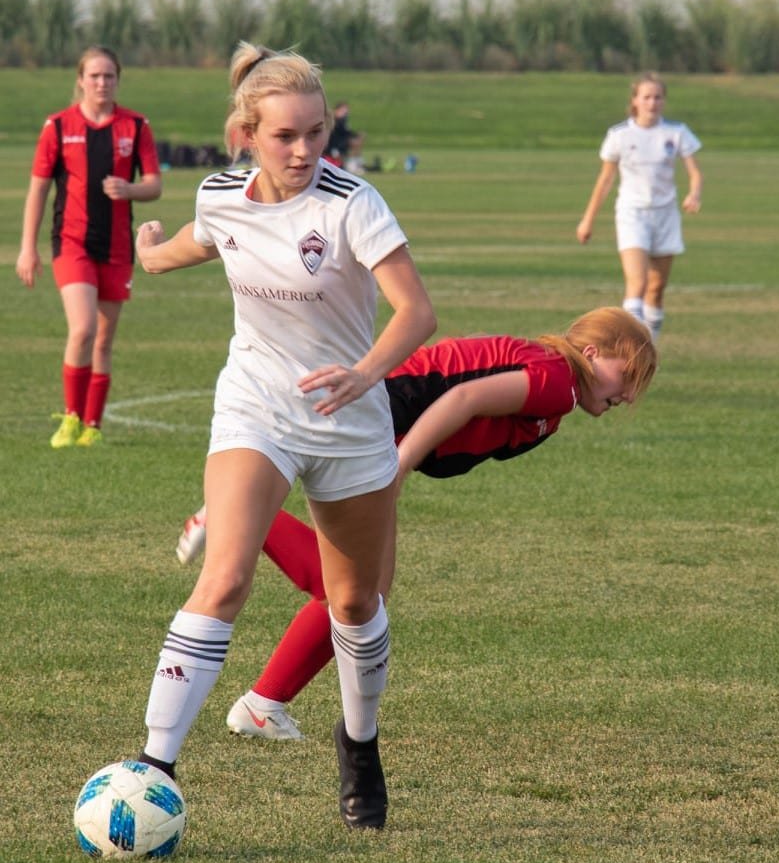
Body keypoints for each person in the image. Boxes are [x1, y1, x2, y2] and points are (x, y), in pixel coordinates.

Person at [128, 42, 437, 831]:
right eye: (284, 137)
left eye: (314, 133)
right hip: (255, 407)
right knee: (225, 576)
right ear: (246, 132)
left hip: (348, 421)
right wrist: (148, 255)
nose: (303, 151)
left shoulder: (351, 203)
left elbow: (415, 313)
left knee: (354, 600)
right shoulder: (223, 194)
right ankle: (153, 767)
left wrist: (366, 374)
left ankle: (358, 743)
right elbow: (197, 242)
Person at [169, 307, 657, 739]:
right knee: (359, 593)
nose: (631, 392)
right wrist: (397, 465)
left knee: (361, 593)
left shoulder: (557, 383)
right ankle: (262, 688)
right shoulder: (560, 384)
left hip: (378, 415)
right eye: (627, 372)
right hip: (378, 418)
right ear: (591, 352)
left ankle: (262, 697)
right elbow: (461, 400)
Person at [16, 46, 163, 448]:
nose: (102, 83)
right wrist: (27, 248)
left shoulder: (134, 126)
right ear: (80, 80)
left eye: (109, 76)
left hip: (116, 246)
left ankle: (92, 427)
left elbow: (154, 183)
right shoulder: (59, 126)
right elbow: (38, 190)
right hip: (72, 242)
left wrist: (129, 189)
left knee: (103, 338)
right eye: (94, 76)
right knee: (81, 329)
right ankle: (70, 418)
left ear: (118, 80)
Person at [575, 72, 702, 340]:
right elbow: (605, 180)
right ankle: (628, 351)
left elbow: (695, 173)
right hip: (632, 213)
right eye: (646, 97)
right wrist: (588, 220)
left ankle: (649, 349)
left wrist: (694, 194)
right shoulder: (620, 135)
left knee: (656, 288)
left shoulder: (676, 133)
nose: (652, 103)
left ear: (664, 101)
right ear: (635, 101)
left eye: (657, 97)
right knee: (638, 283)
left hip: (666, 214)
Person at [326, 101, 365, 173]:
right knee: (355, 142)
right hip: (333, 147)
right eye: (343, 111)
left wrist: (356, 135)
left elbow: (346, 132)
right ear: (336, 110)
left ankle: (356, 163)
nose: (346, 113)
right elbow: (339, 134)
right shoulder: (333, 122)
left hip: (340, 144)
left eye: (346, 111)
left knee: (357, 140)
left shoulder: (342, 121)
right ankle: (353, 165)